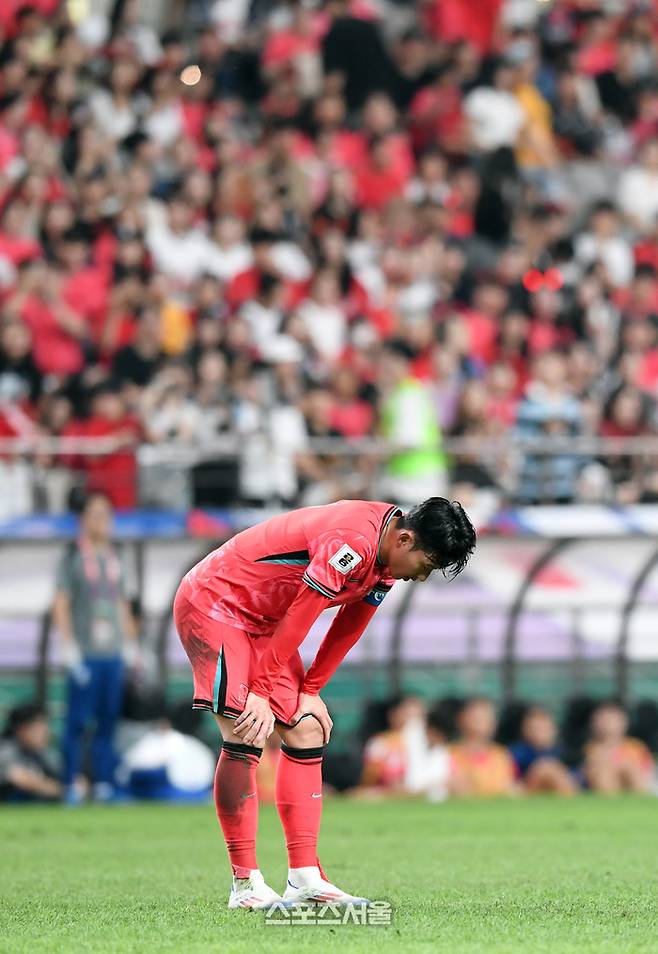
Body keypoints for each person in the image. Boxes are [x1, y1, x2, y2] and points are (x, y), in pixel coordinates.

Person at [174, 497, 476, 908]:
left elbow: (351, 623)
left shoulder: (387, 557)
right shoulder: (350, 543)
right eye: (427, 564)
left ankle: (305, 879)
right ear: (406, 539)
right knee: (247, 727)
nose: (423, 577)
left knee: (306, 727)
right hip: (218, 605)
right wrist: (260, 691)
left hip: (265, 621)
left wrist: (312, 689)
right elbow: (303, 613)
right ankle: (245, 885)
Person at [52, 492, 140, 802]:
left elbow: (121, 603)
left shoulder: (117, 557)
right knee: (76, 722)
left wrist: (131, 644)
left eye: (107, 515)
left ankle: (104, 783)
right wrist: (68, 645)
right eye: (95, 515)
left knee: (108, 722)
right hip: (85, 653)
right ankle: (71, 783)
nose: (102, 522)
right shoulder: (73, 556)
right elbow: (61, 603)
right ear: (83, 520)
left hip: (112, 654)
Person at [449, 698, 516, 798]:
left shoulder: (502, 755)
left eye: (485, 718)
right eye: (474, 717)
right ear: (461, 720)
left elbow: (509, 786)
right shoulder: (449, 754)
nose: (479, 722)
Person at [584, 701, 654, 794]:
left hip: (639, 786)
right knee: (602, 770)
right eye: (600, 718)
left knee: (629, 767)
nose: (605, 723)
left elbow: (645, 774)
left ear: (624, 722)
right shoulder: (588, 748)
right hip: (606, 788)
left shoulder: (635, 747)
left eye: (610, 719)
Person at [0, 703, 62, 802]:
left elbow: (63, 777)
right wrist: (62, 790)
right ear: (21, 729)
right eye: (39, 726)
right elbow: (20, 778)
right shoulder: (5, 749)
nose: (45, 732)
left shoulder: (43, 753)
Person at [509, 706, 576, 795]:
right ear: (524, 730)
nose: (537, 733)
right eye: (533, 728)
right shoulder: (516, 754)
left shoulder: (566, 754)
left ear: (554, 729)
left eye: (542, 728)